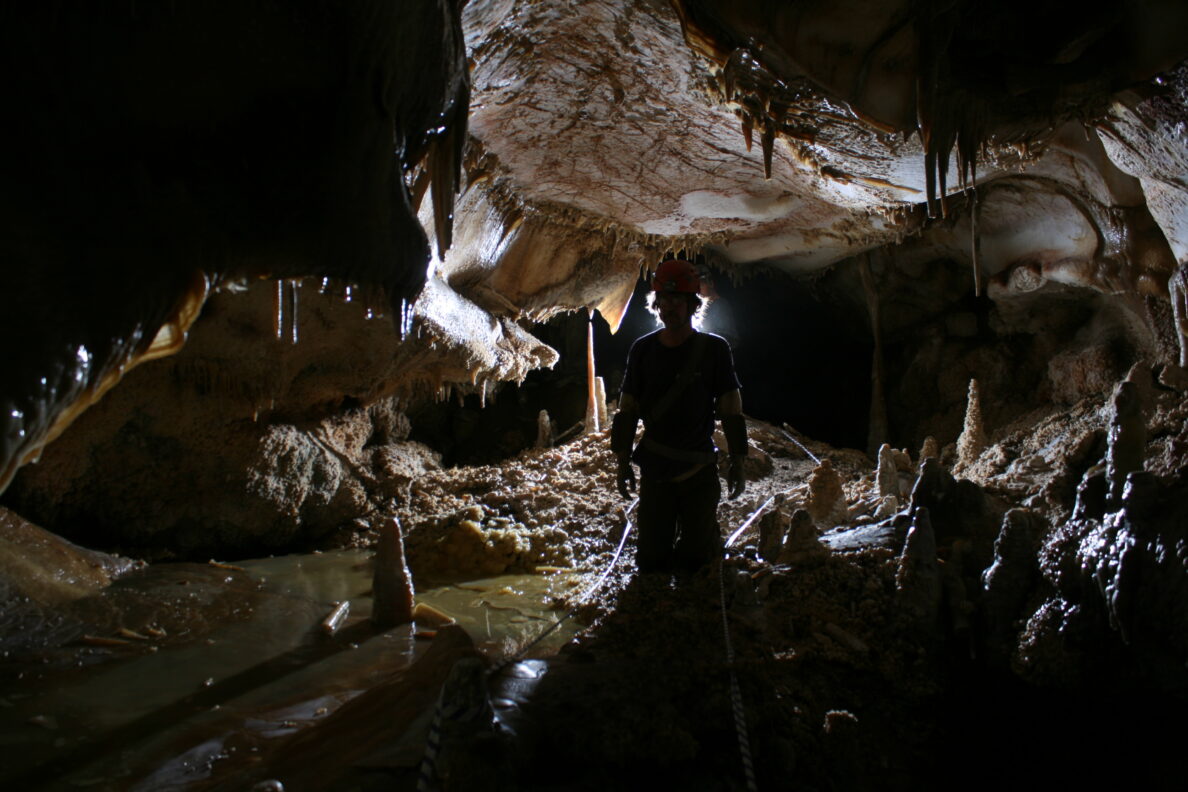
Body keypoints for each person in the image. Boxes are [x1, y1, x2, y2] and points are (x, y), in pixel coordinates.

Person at [610, 258, 747, 575]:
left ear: (691, 303)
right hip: (656, 469)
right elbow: (627, 409)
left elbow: (730, 407)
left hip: (698, 470)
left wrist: (738, 460)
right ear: (655, 303)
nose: (668, 307)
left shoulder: (714, 349)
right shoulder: (642, 350)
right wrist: (621, 463)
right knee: (651, 561)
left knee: (696, 561)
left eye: (676, 300)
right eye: (663, 300)